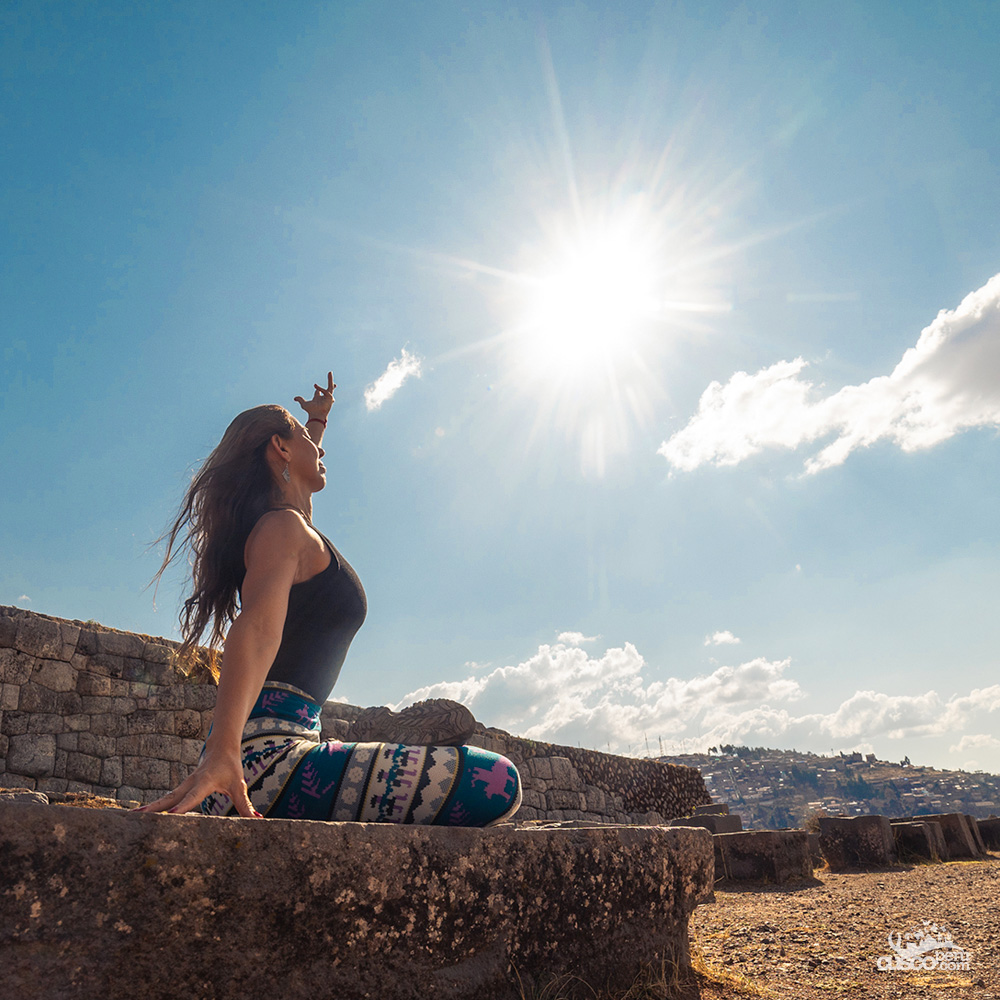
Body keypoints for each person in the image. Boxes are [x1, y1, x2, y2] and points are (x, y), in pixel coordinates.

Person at [139, 373, 521, 826]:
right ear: (280, 449)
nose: (319, 452)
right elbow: (258, 628)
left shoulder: (290, 527)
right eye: (303, 440)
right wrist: (223, 754)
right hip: (262, 765)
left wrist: (314, 423)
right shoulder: (281, 530)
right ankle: (387, 740)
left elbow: (299, 488)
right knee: (497, 780)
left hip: (295, 744)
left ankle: (384, 741)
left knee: (489, 779)